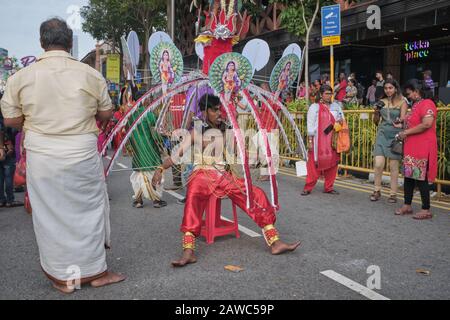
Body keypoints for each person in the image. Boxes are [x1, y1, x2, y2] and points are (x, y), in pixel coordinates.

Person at [0, 18, 125, 293]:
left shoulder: (20, 76)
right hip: (81, 151)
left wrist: (35, 119)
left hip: (42, 155)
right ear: (69, 42)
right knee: (88, 212)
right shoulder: (89, 74)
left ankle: (63, 279)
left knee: (50, 215)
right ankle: (96, 273)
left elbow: (9, 120)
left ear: (42, 43)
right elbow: (106, 113)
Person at [152, 94, 301, 267]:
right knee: (192, 198)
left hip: (223, 176)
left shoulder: (227, 129)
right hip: (201, 176)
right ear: (204, 112)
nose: (218, 113)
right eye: (214, 110)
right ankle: (188, 252)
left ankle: (275, 242)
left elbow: (239, 153)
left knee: (255, 194)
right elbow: (175, 156)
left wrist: (259, 154)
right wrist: (161, 169)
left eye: (219, 109)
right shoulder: (195, 132)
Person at [395, 80, 437, 220]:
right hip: (412, 147)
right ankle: (407, 205)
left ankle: (426, 209)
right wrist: (402, 123)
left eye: (409, 93)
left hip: (422, 147)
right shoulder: (416, 105)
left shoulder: (427, 103)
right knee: (409, 177)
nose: (408, 97)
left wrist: (406, 133)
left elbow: (427, 124)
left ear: (417, 91)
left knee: (421, 178)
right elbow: (414, 123)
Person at [301, 85, 344, 195]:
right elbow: (310, 125)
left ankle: (329, 187)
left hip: (332, 140)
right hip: (317, 141)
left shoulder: (336, 106)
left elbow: (341, 119)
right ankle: (308, 187)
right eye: (326, 93)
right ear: (321, 94)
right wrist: (310, 141)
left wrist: (338, 123)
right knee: (314, 164)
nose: (329, 96)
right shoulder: (314, 107)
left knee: (333, 163)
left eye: (330, 93)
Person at [370, 79, 407, 203]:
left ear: (395, 88)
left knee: (393, 166)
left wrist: (399, 122)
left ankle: (393, 193)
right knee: (378, 163)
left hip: (395, 135)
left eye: (390, 88)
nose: (388, 90)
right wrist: (375, 112)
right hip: (382, 133)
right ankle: (377, 190)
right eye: (386, 88)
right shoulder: (381, 102)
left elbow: (403, 120)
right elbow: (375, 122)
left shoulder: (403, 102)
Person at [127, 97, 167, 209]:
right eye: (149, 99)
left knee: (138, 175)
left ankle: (138, 201)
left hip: (137, 149)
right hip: (149, 149)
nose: (150, 101)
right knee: (155, 171)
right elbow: (156, 132)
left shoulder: (131, 116)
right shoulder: (149, 114)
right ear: (144, 101)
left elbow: (127, 134)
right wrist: (161, 143)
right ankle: (156, 200)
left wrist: (131, 147)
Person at [0, 98, 23, 208]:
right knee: (8, 175)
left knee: (1, 176)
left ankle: (1, 199)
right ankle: (10, 200)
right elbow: (11, 129)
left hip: (4, 147)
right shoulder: (5, 114)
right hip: (7, 148)